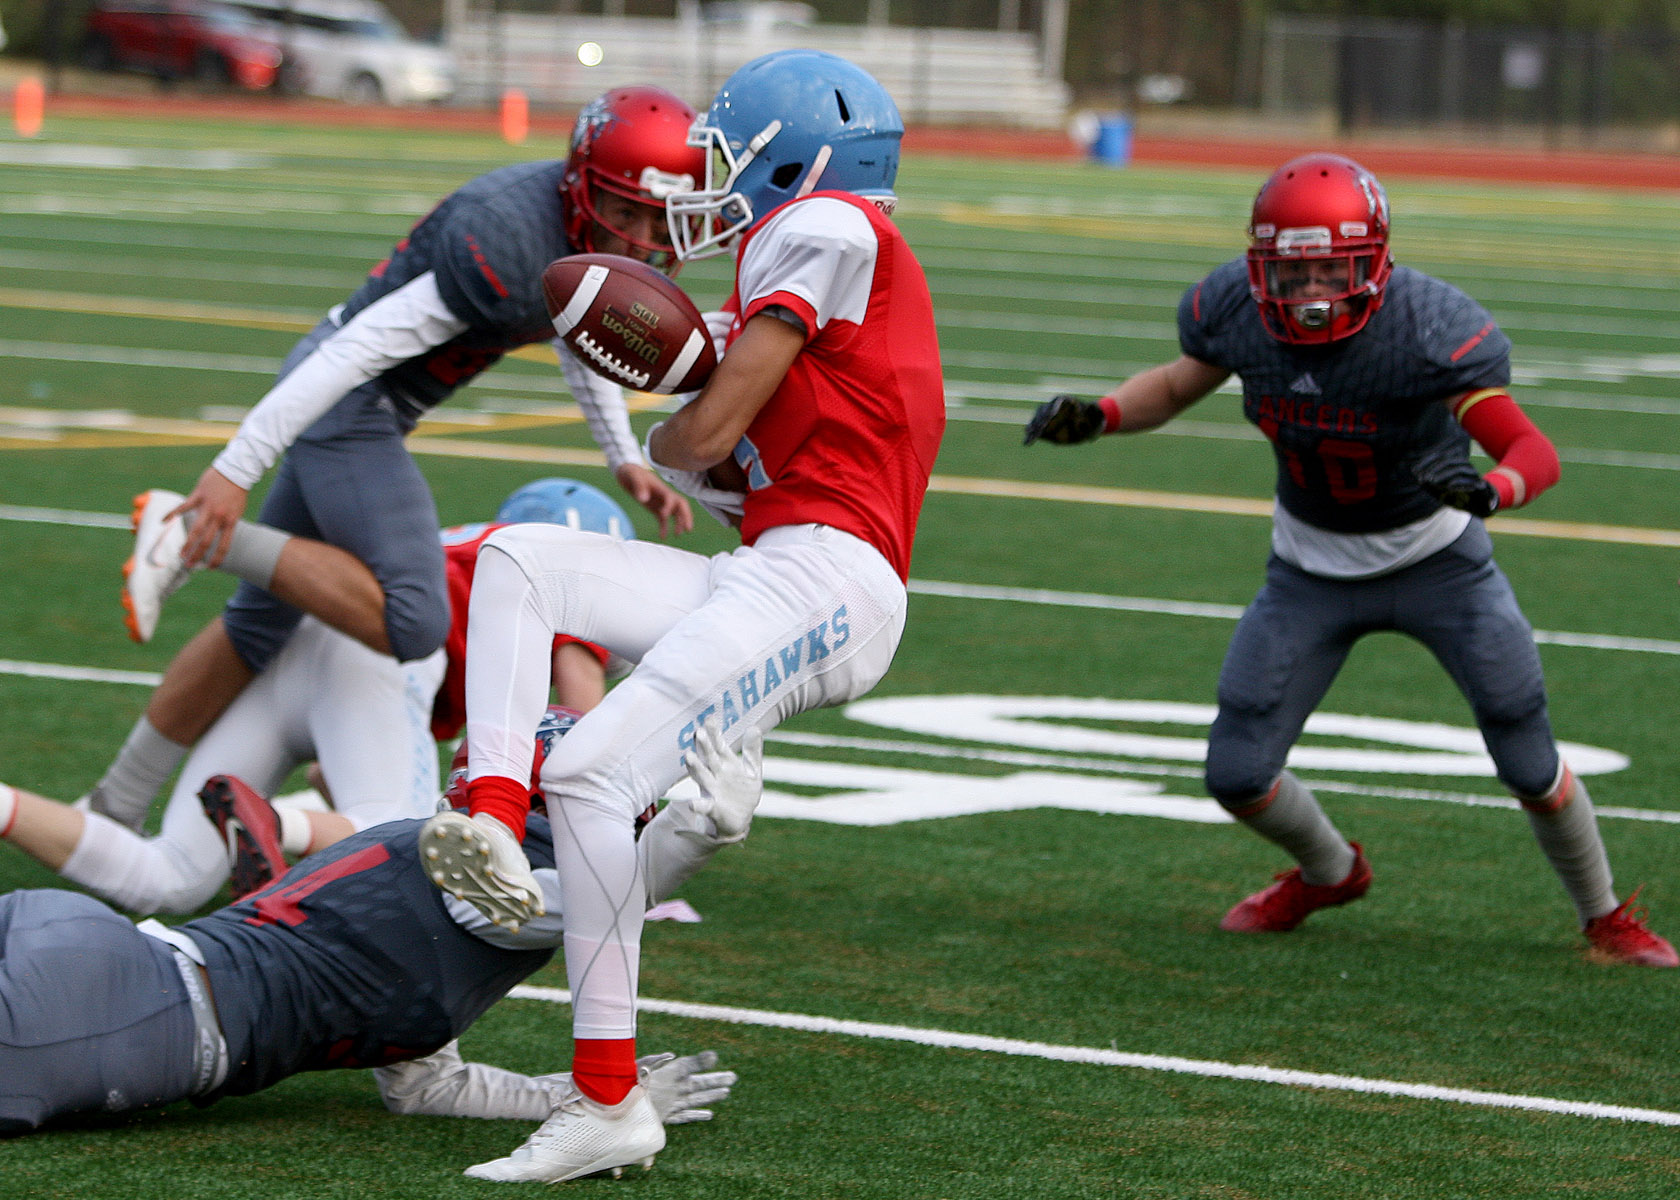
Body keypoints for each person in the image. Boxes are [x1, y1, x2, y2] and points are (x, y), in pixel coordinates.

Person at [419, 49, 946, 1182]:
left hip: (830, 581)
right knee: (520, 560)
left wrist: (681, 411)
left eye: (727, 158)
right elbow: (721, 463)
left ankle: (607, 1099)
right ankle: (494, 825)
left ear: (798, 164)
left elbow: (698, 447)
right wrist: (690, 398)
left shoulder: (838, 228)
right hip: (778, 561)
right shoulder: (809, 299)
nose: (707, 183)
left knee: (600, 774)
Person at [1023, 151, 1675, 969]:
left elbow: (1530, 447)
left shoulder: (1427, 326)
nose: (1311, 293)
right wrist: (1104, 416)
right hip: (1309, 568)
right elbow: (1179, 382)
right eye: (1290, 275)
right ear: (1261, 270)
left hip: (1439, 561)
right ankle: (1330, 872)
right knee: (1236, 771)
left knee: (1526, 755)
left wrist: (1491, 491)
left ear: (1374, 261)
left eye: (1332, 269)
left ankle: (1604, 914)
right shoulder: (1233, 307)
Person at [93, 84, 706, 838]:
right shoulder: (506, 237)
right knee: (416, 618)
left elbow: (575, 329)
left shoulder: (565, 237)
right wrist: (232, 473)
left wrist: (620, 458)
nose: (640, 239)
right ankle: (193, 533)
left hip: (371, 409)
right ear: (582, 187)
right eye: (623, 214)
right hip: (351, 405)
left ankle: (113, 807)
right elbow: (352, 348)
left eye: (657, 219)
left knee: (255, 629)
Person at [0, 706, 757, 1139]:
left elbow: (424, 1088)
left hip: (91, 947)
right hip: (127, 1018)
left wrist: (575, 1094)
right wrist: (696, 834)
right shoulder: (486, 893)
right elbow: (589, 892)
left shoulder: (425, 865)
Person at [2, 479, 632, 913]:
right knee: (415, 838)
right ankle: (270, 820)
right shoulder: (569, 574)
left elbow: (332, 765)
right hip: (381, 657)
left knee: (175, 878)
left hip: (302, 641)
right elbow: (583, 727)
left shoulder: (472, 550)